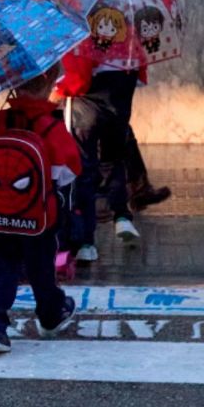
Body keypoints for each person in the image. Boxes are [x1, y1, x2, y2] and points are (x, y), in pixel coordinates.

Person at [0, 66, 80, 353]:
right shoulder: (51, 126)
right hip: (38, 217)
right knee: (40, 267)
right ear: (48, 85)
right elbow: (68, 171)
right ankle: (49, 315)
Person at [53, 50, 142, 262]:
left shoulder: (83, 19)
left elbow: (79, 77)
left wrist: (59, 91)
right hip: (120, 98)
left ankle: (86, 242)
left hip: (86, 104)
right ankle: (122, 216)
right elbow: (140, 66)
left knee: (84, 171)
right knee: (113, 159)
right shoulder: (129, 21)